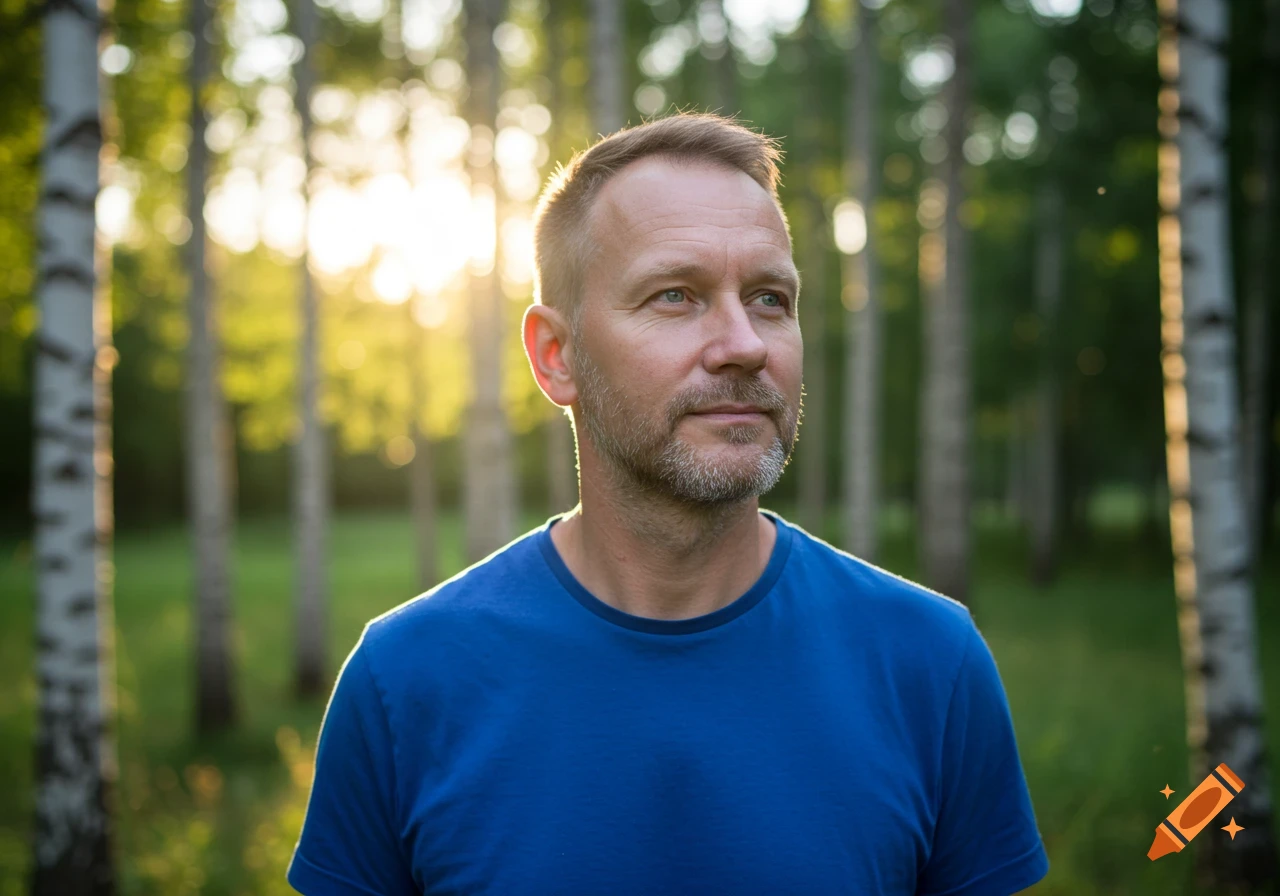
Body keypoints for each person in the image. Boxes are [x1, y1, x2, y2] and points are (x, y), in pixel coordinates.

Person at [287, 112, 1050, 896]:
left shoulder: (931, 661)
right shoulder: (405, 682)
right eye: (676, 295)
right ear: (557, 357)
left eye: (769, 298)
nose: (745, 344)